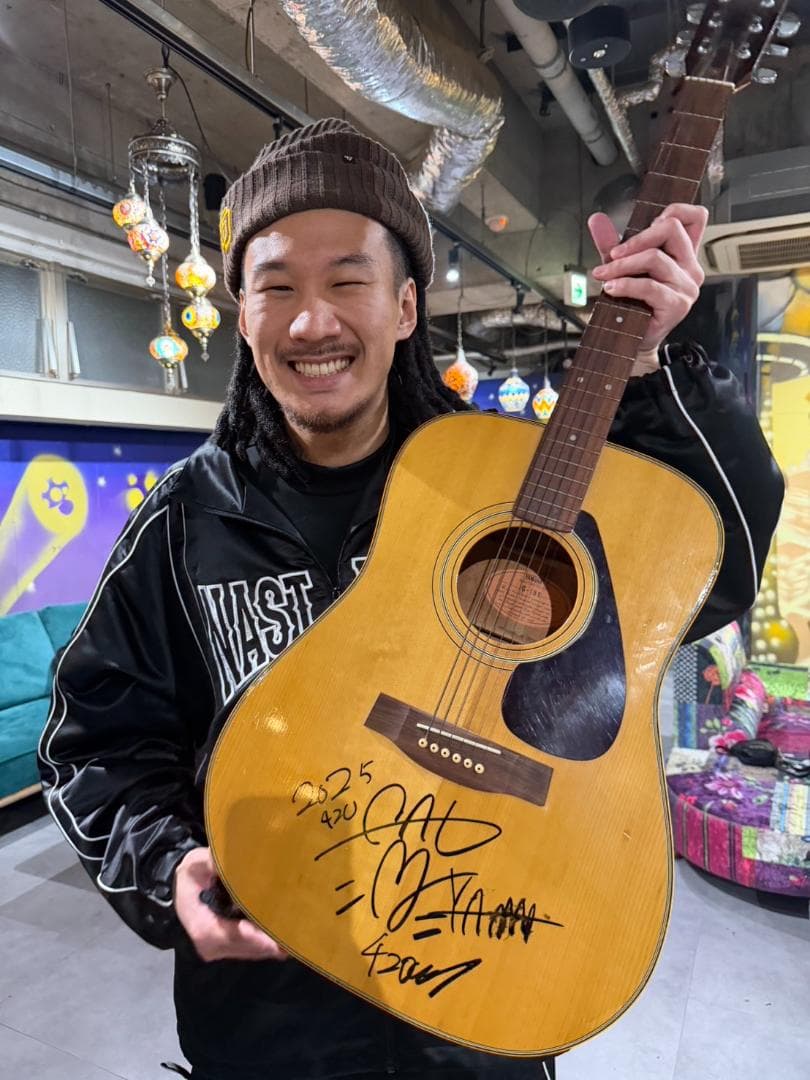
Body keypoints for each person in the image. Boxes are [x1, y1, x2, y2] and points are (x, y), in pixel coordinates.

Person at [39, 119, 783, 1080]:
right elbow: (99, 741)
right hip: (269, 1017)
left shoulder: (509, 487)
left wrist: (651, 369)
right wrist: (165, 865)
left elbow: (708, 571)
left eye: (348, 281)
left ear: (404, 306)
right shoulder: (184, 520)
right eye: (277, 287)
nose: (312, 322)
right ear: (242, 315)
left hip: (491, 997)